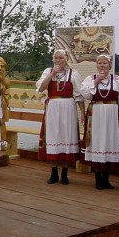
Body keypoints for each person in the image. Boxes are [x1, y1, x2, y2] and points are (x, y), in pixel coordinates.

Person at [80, 54, 119, 189]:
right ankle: (98, 179)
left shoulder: (116, 79)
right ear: (97, 65)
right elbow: (86, 95)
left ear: (110, 65)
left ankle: (106, 178)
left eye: (105, 63)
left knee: (109, 142)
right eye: (100, 63)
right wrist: (96, 82)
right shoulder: (90, 79)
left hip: (112, 117)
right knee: (97, 142)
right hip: (96, 115)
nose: (102, 65)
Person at [36, 49, 85, 185]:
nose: (58, 60)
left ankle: (64, 172)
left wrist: (82, 113)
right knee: (53, 137)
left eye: (60, 58)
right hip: (52, 107)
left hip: (68, 108)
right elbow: (40, 88)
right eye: (56, 58)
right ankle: (53, 172)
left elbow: (79, 96)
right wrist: (52, 74)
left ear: (66, 59)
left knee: (66, 137)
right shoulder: (48, 72)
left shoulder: (73, 74)